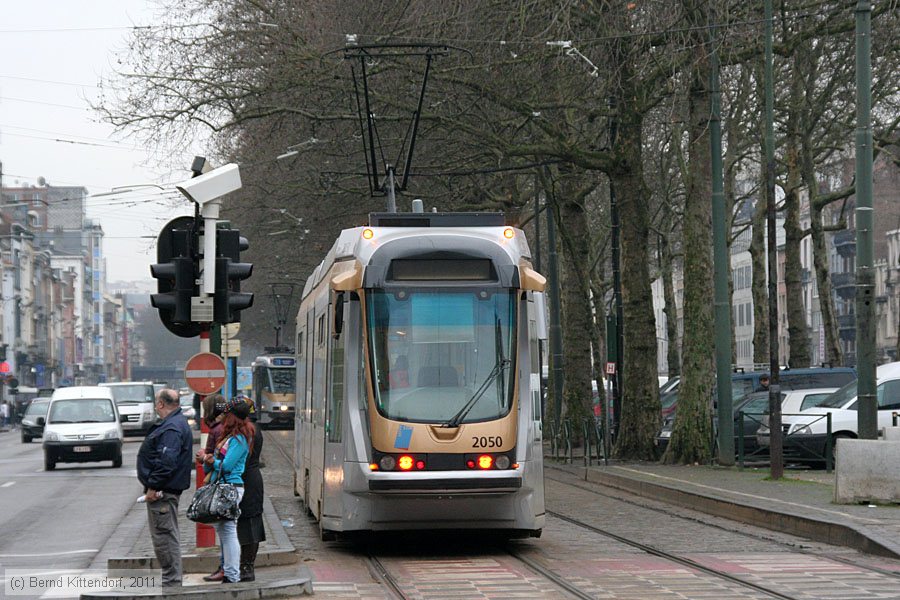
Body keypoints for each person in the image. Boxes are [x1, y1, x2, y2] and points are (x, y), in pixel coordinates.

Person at [136, 389, 193, 587]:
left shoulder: (171, 428)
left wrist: (153, 485)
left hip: (163, 492)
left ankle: (171, 581)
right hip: (166, 490)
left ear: (160, 404)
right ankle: (172, 579)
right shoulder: (176, 423)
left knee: (164, 537)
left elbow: (167, 461)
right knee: (167, 534)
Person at [203, 397, 253, 584]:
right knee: (225, 531)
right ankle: (230, 572)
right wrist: (209, 462)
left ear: (234, 417)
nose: (223, 417)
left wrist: (210, 461)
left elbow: (228, 466)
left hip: (230, 487)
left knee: (229, 531)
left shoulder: (239, 439)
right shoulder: (231, 437)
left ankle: (232, 574)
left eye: (227, 414)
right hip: (225, 486)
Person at [197, 395, 227, 583]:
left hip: (219, 484)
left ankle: (226, 568)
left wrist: (204, 458)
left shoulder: (216, 430)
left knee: (225, 531)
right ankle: (227, 568)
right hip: (229, 484)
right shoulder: (227, 429)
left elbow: (211, 462)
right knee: (227, 531)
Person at [236, 399, 265, 582]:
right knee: (249, 522)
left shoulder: (248, 431)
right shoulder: (252, 428)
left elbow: (241, 461)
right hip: (252, 480)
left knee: (249, 523)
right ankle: (245, 565)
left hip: (247, 481)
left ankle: (247, 566)